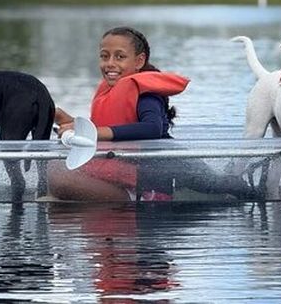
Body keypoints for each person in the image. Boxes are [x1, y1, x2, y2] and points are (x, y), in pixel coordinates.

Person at [48, 26, 255, 201]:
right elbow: (108, 126)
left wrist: (95, 132)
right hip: (120, 170)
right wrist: (65, 119)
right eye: (104, 56)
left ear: (139, 61)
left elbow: (152, 128)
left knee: (61, 178)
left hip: (156, 173)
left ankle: (134, 198)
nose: (110, 63)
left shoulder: (146, 94)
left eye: (120, 57)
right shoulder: (109, 91)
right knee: (53, 169)